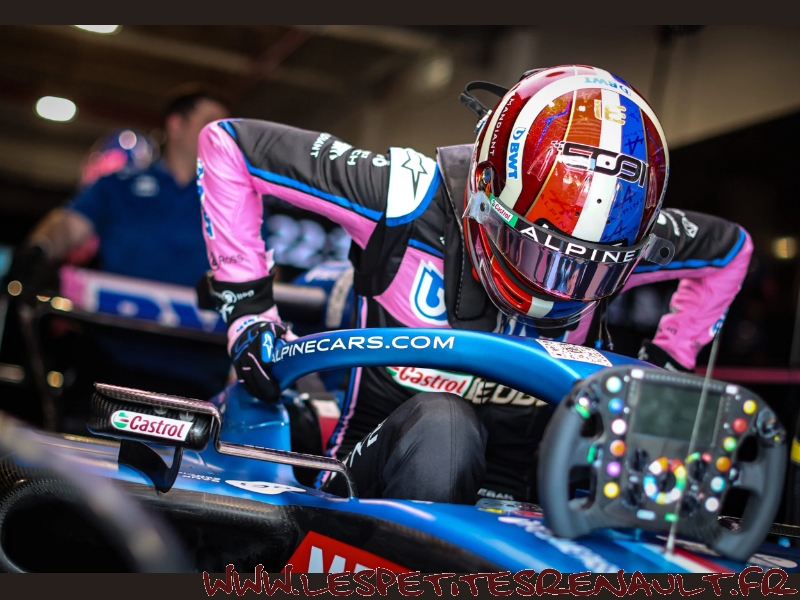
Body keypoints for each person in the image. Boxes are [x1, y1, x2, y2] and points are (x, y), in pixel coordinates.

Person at [196, 66, 753, 504]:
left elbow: (732, 250)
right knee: (445, 427)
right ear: (487, 195)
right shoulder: (405, 195)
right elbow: (229, 145)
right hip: (363, 489)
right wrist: (249, 312)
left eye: (590, 267)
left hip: (529, 517)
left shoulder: (632, 234)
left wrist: (667, 366)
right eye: (539, 249)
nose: (556, 286)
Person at [7, 89, 229, 293]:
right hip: (116, 315)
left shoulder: (231, 198)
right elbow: (69, 226)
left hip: (198, 321)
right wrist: (38, 250)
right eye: (210, 123)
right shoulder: (119, 185)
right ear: (176, 125)